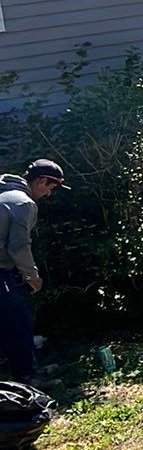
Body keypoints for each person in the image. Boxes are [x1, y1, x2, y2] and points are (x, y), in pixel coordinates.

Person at [0, 159, 64, 382]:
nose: (48, 194)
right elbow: (18, 246)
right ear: (41, 181)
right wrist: (32, 276)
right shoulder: (24, 203)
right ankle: (28, 380)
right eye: (50, 187)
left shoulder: (4, 196)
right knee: (18, 323)